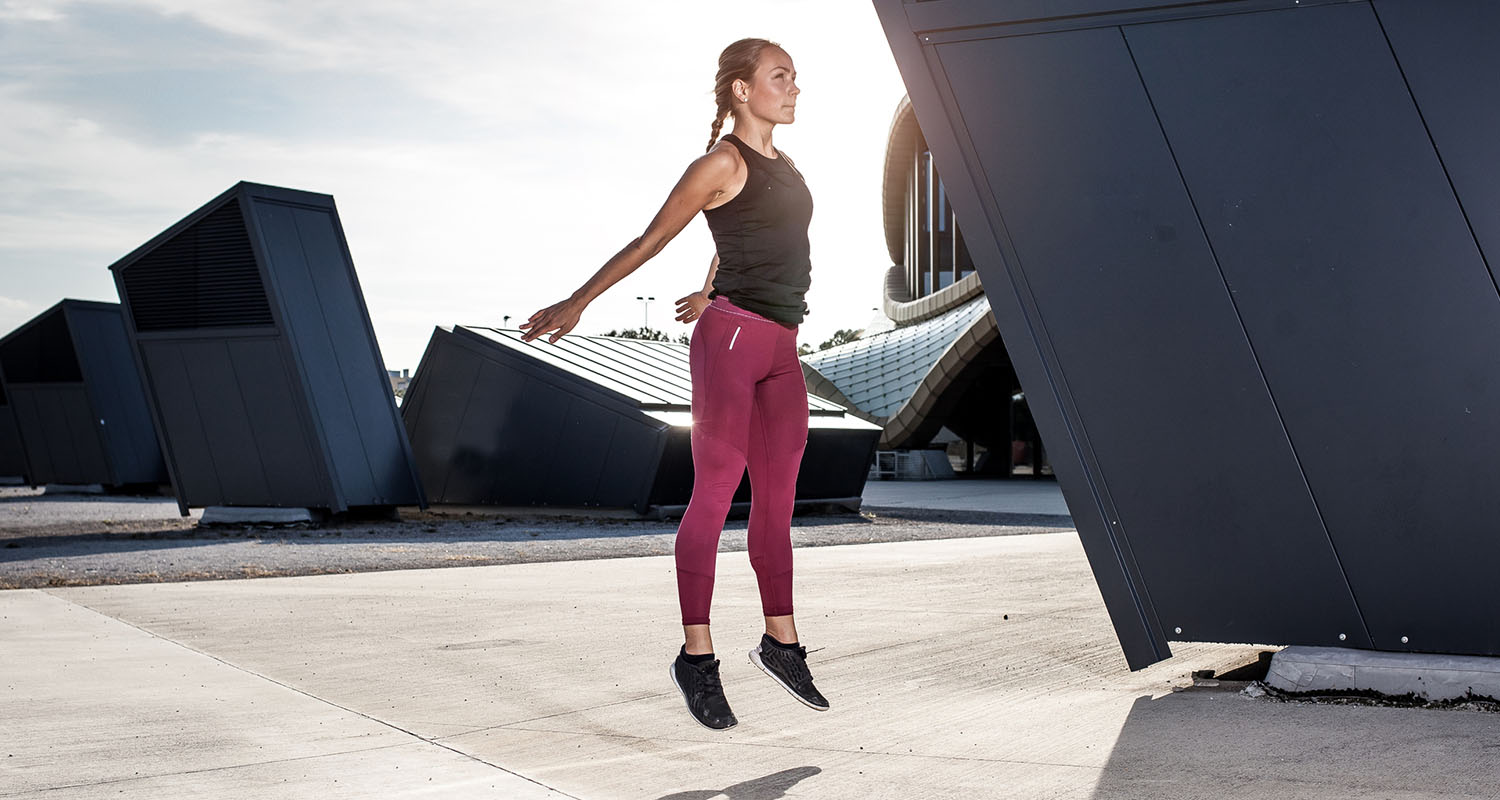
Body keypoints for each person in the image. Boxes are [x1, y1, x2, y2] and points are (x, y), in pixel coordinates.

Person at [520, 37, 826, 730]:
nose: (795, 88)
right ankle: (696, 657)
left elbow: (742, 233)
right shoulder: (720, 161)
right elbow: (651, 238)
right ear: (743, 91)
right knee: (716, 494)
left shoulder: (783, 163)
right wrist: (579, 301)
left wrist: (708, 283)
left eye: (795, 77)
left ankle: (781, 643)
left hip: (781, 345)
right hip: (732, 343)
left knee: (777, 502)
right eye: (781, 77)